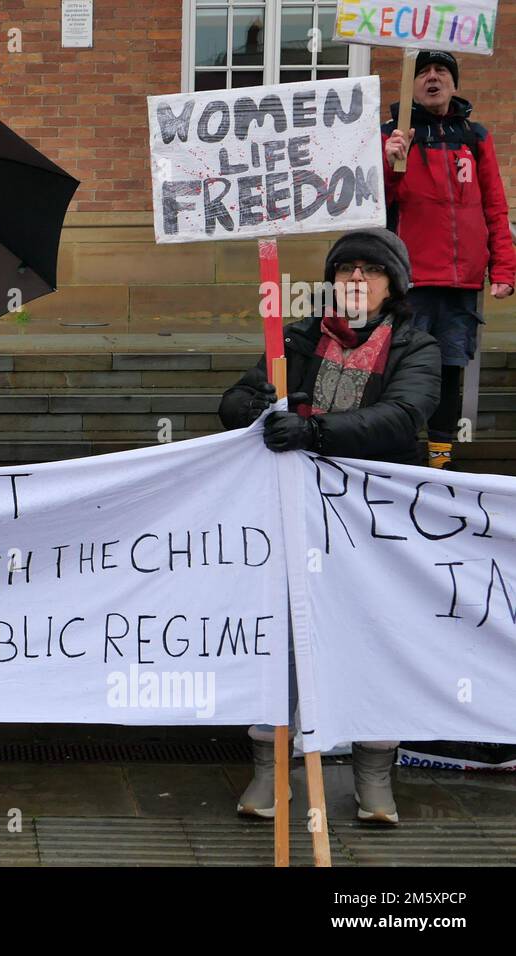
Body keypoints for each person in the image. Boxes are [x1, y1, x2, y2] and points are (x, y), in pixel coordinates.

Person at [219, 228, 441, 824]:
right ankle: (271, 772)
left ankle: (374, 778)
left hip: (378, 523)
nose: (356, 282)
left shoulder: (415, 347)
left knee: (377, 636)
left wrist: (317, 433)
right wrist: (242, 404)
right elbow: (242, 394)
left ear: (392, 285)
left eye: (370, 272)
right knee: (285, 639)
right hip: (295, 513)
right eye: (346, 271)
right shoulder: (296, 337)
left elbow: (404, 416)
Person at [382, 50, 515, 469]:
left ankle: (441, 460)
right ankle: (401, 454)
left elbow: (495, 205)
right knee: (404, 370)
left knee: (450, 369)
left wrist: (505, 267)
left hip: (463, 283)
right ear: (412, 84)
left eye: (442, 71)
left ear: (454, 84)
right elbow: (377, 201)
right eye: (423, 72)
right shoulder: (393, 134)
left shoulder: (475, 137)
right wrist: (388, 161)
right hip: (412, 280)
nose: (433, 78)